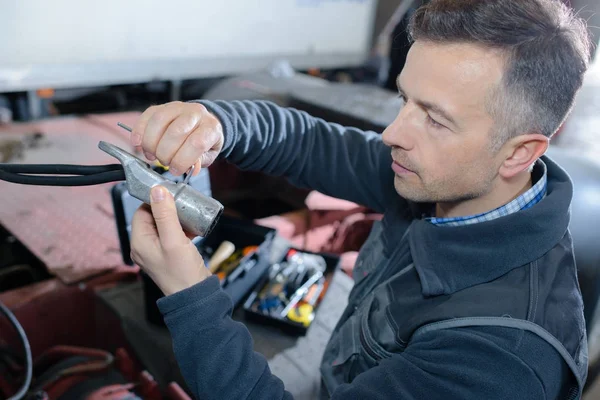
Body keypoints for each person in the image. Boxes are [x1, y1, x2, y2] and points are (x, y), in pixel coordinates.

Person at [127, 0, 593, 398]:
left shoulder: (496, 360)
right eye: (406, 100)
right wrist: (214, 123)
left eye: (435, 119)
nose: (393, 134)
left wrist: (190, 297)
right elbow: (308, 142)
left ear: (520, 153)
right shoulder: (449, 177)